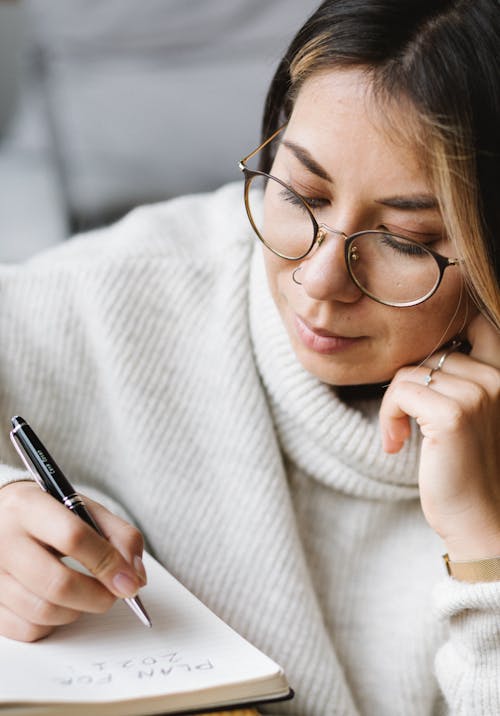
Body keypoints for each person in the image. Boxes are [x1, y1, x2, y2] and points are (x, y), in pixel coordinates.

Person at [0, 0, 498, 713]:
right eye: (299, 192)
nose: (318, 280)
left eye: (405, 241)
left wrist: (485, 548)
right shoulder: (131, 292)